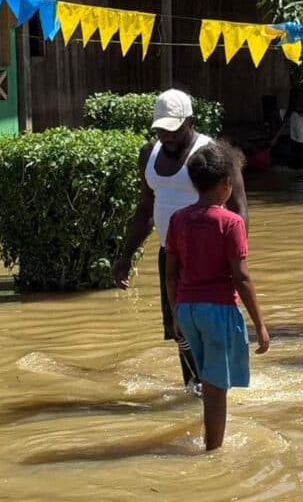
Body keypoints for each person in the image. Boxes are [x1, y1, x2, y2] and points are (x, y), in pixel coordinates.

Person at [113, 89, 249, 392]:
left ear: (190, 121)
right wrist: (126, 256)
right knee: (180, 327)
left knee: (211, 324)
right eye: (162, 130)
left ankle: (214, 386)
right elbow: (146, 208)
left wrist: (237, 261)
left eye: (174, 130)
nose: (168, 137)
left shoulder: (212, 154)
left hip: (210, 258)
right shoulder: (149, 154)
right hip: (171, 256)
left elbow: (239, 207)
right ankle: (195, 389)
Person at [165, 143, 268, 451]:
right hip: (218, 310)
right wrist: (260, 325)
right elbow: (242, 277)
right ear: (227, 184)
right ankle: (213, 452)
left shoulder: (178, 219)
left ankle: (211, 440)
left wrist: (174, 314)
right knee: (217, 387)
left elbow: (171, 273)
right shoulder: (230, 222)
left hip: (186, 309)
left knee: (208, 383)